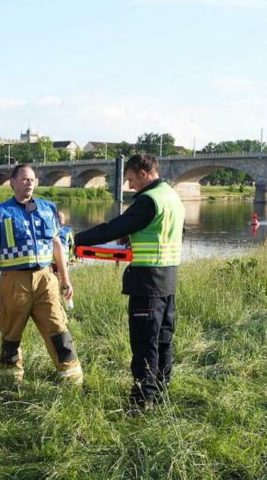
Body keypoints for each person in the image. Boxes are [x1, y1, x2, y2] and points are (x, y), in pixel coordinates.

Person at [73, 153, 184, 411]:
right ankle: (160, 392)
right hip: (168, 279)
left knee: (144, 342)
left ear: (143, 173)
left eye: (131, 179)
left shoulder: (148, 200)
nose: (130, 185)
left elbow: (114, 227)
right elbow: (168, 231)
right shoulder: (171, 196)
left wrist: (75, 240)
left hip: (147, 281)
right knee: (163, 340)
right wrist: (136, 234)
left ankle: (141, 400)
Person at [0, 164, 82, 387]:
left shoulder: (48, 208)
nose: (29, 183)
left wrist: (65, 278)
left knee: (57, 328)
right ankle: (11, 383)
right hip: (14, 281)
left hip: (45, 278)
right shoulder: (0, 212)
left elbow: (57, 245)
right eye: (24, 179)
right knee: (11, 332)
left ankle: (72, 381)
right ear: (12, 182)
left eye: (32, 179)